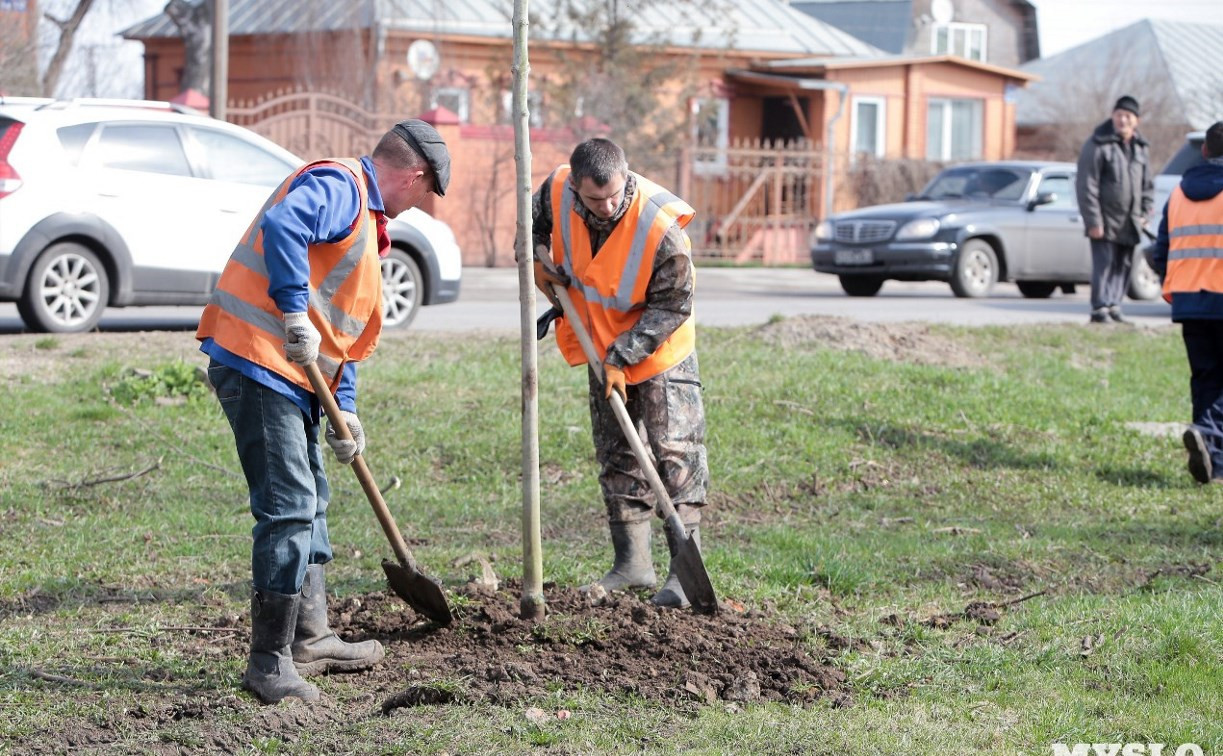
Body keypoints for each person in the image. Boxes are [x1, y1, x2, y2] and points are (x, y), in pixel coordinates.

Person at [195, 120, 450, 704]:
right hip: (260, 361)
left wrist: (347, 409)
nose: (421, 205)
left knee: (312, 499)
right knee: (289, 507)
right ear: (414, 175)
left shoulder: (366, 221)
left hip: (296, 375)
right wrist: (290, 314)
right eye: (426, 191)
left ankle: (311, 636)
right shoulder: (342, 187)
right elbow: (284, 226)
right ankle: (268, 663)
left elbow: (340, 328)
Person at [531, 137, 710, 609]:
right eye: (594, 199)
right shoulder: (555, 192)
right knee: (617, 452)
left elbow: (674, 302)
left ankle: (683, 574)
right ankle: (632, 564)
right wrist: (536, 259)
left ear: (626, 175)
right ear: (575, 187)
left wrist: (623, 355)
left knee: (675, 455)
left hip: (659, 350)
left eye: (614, 194)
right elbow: (529, 227)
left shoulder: (660, 227)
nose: (607, 206)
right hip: (601, 343)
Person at [1148, 120, 1223, 484]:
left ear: (1205, 150)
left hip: (1189, 301)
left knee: (1206, 378)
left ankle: (1212, 463)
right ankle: (1207, 434)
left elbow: (1160, 251)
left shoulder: (1177, 193)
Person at [1075, 94, 1155, 324]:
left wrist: (1145, 212)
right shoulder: (1098, 144)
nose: (1123, 120)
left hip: (1131, 221)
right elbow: (1085, 185)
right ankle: (1099, 307)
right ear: (1112, 116)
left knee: (1123, 265)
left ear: (1136, 121)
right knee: (1105, 265)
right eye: (1119, 115)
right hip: (1105, 220)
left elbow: (1147, 185)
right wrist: (1093, 221)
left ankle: (1114, 305)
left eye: (1128, 116)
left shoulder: (1141, 148)